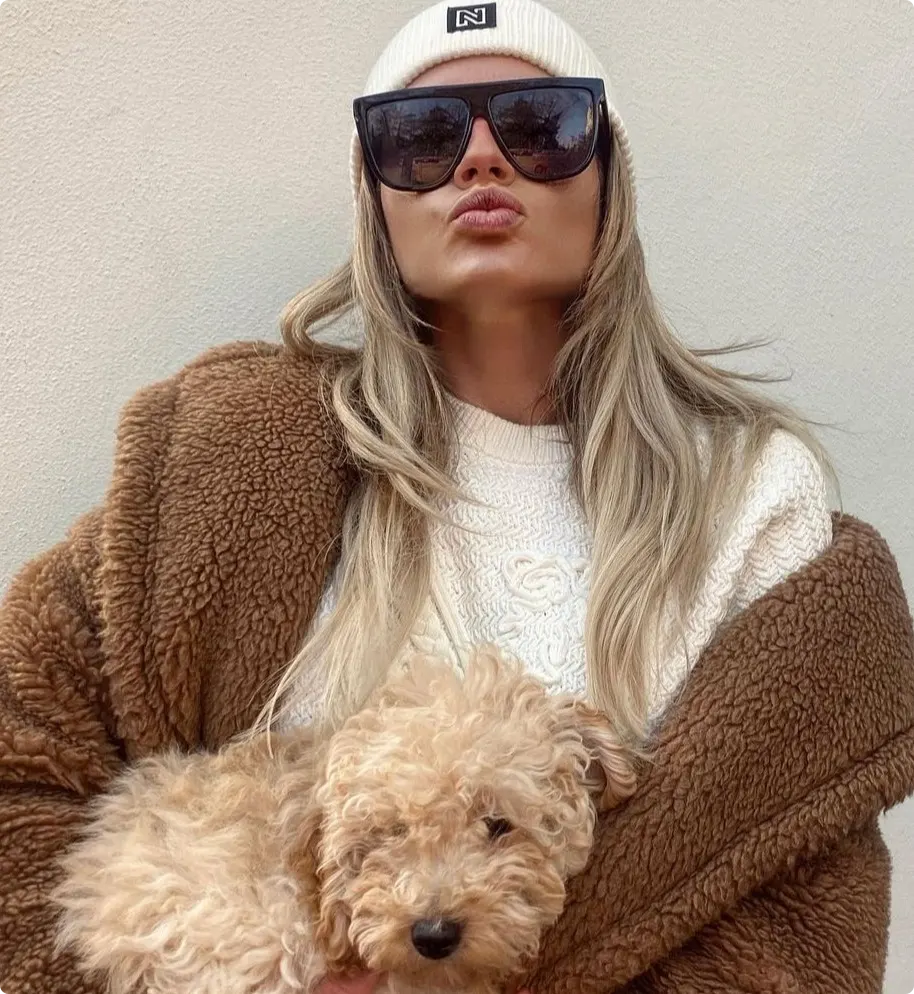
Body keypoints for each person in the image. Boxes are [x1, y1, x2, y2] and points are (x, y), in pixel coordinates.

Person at [2, 1, 914, 992]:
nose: (481, 160)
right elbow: (23, 766)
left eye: (539, 126)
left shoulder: (747, 497)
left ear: (609, 182)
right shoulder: (235, 464)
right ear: (373, 198)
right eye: (422, 138)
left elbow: (806, 922)